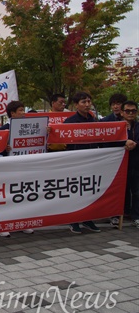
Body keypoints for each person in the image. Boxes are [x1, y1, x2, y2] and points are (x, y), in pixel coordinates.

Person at [64, 92, 101, 234]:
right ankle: (74, 221)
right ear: (75, 105)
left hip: (91, 162)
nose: (87, 105)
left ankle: (87, 219)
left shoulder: (93, 120)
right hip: (76, 162)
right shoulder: (70, 122)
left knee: (89, 190)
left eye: (88, 101)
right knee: (75, 191)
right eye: (83, 102)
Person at [0, 101, 34, 236]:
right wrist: (3, 148)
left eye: (23, 110)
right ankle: (3, 226)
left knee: (22, 195)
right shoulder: (4, 129)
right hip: (8, 168)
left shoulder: (30, 127)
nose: (23, 113)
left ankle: (22, 223)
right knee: (7, 196)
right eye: (20, 110)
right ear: (12, 113)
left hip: (24, 167)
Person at [120, 101, 139, 228]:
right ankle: (119, 214)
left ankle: (136, 216)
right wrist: (124, 142)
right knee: (121, 190)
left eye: (133, 111)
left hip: (136, 163)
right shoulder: (116, 126)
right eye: (127, 111)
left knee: (136, 191)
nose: (130, 113)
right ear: (122, 112)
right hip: (120, 164)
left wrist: (135, 144)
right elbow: (109, 142)